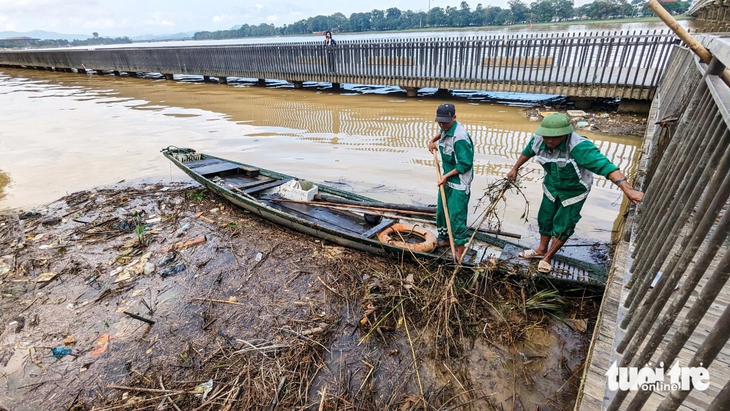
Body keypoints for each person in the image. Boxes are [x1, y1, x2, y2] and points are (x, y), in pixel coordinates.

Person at [507, 113, 644, 273]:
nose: (549, 140)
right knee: (545, 218)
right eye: (546, 136)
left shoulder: (579, 146)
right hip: (551, 187)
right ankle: (541, 249)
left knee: (564, 224)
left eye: (554, 137)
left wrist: (628, 189)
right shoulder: (538, 140)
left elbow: (606, 166)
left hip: (574, 191)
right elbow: (527, 152)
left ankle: (548, 257)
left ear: (565, 134)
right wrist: (515, 168)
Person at [428, 103, 474, 260]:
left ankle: (459, 251)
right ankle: (446, 240)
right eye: (439, 122)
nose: (442, 125)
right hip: (447, 179)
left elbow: (465, 163)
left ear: (454, 118)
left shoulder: (460, 137)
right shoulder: (446, 127)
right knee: (442, 211)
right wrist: (432, 140)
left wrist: (446, 176)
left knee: (456, 216)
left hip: (459, 182)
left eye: (445, 122)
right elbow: (441, 132)